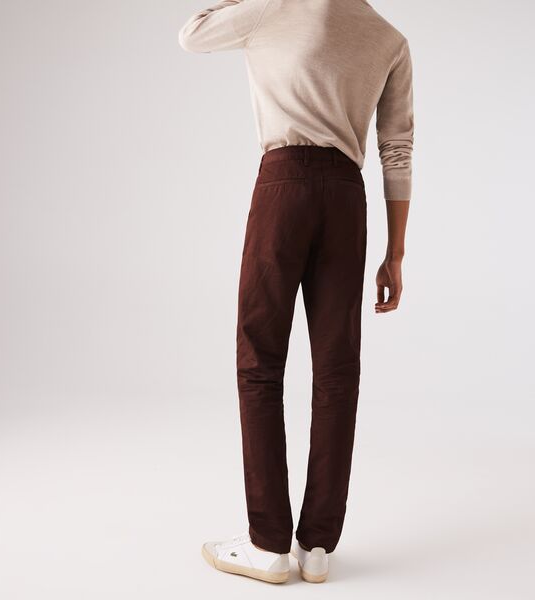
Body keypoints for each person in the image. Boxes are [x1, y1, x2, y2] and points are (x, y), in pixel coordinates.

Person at [178, 0, 414, 584]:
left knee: (260, 362)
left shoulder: (274, 7)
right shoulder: (389, 38)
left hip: (284, 187)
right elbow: (397, 148)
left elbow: (193, 34)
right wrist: (395, 251)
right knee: (338, 371)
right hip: (347, 198)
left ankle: (267, 545)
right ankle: (317, 546)